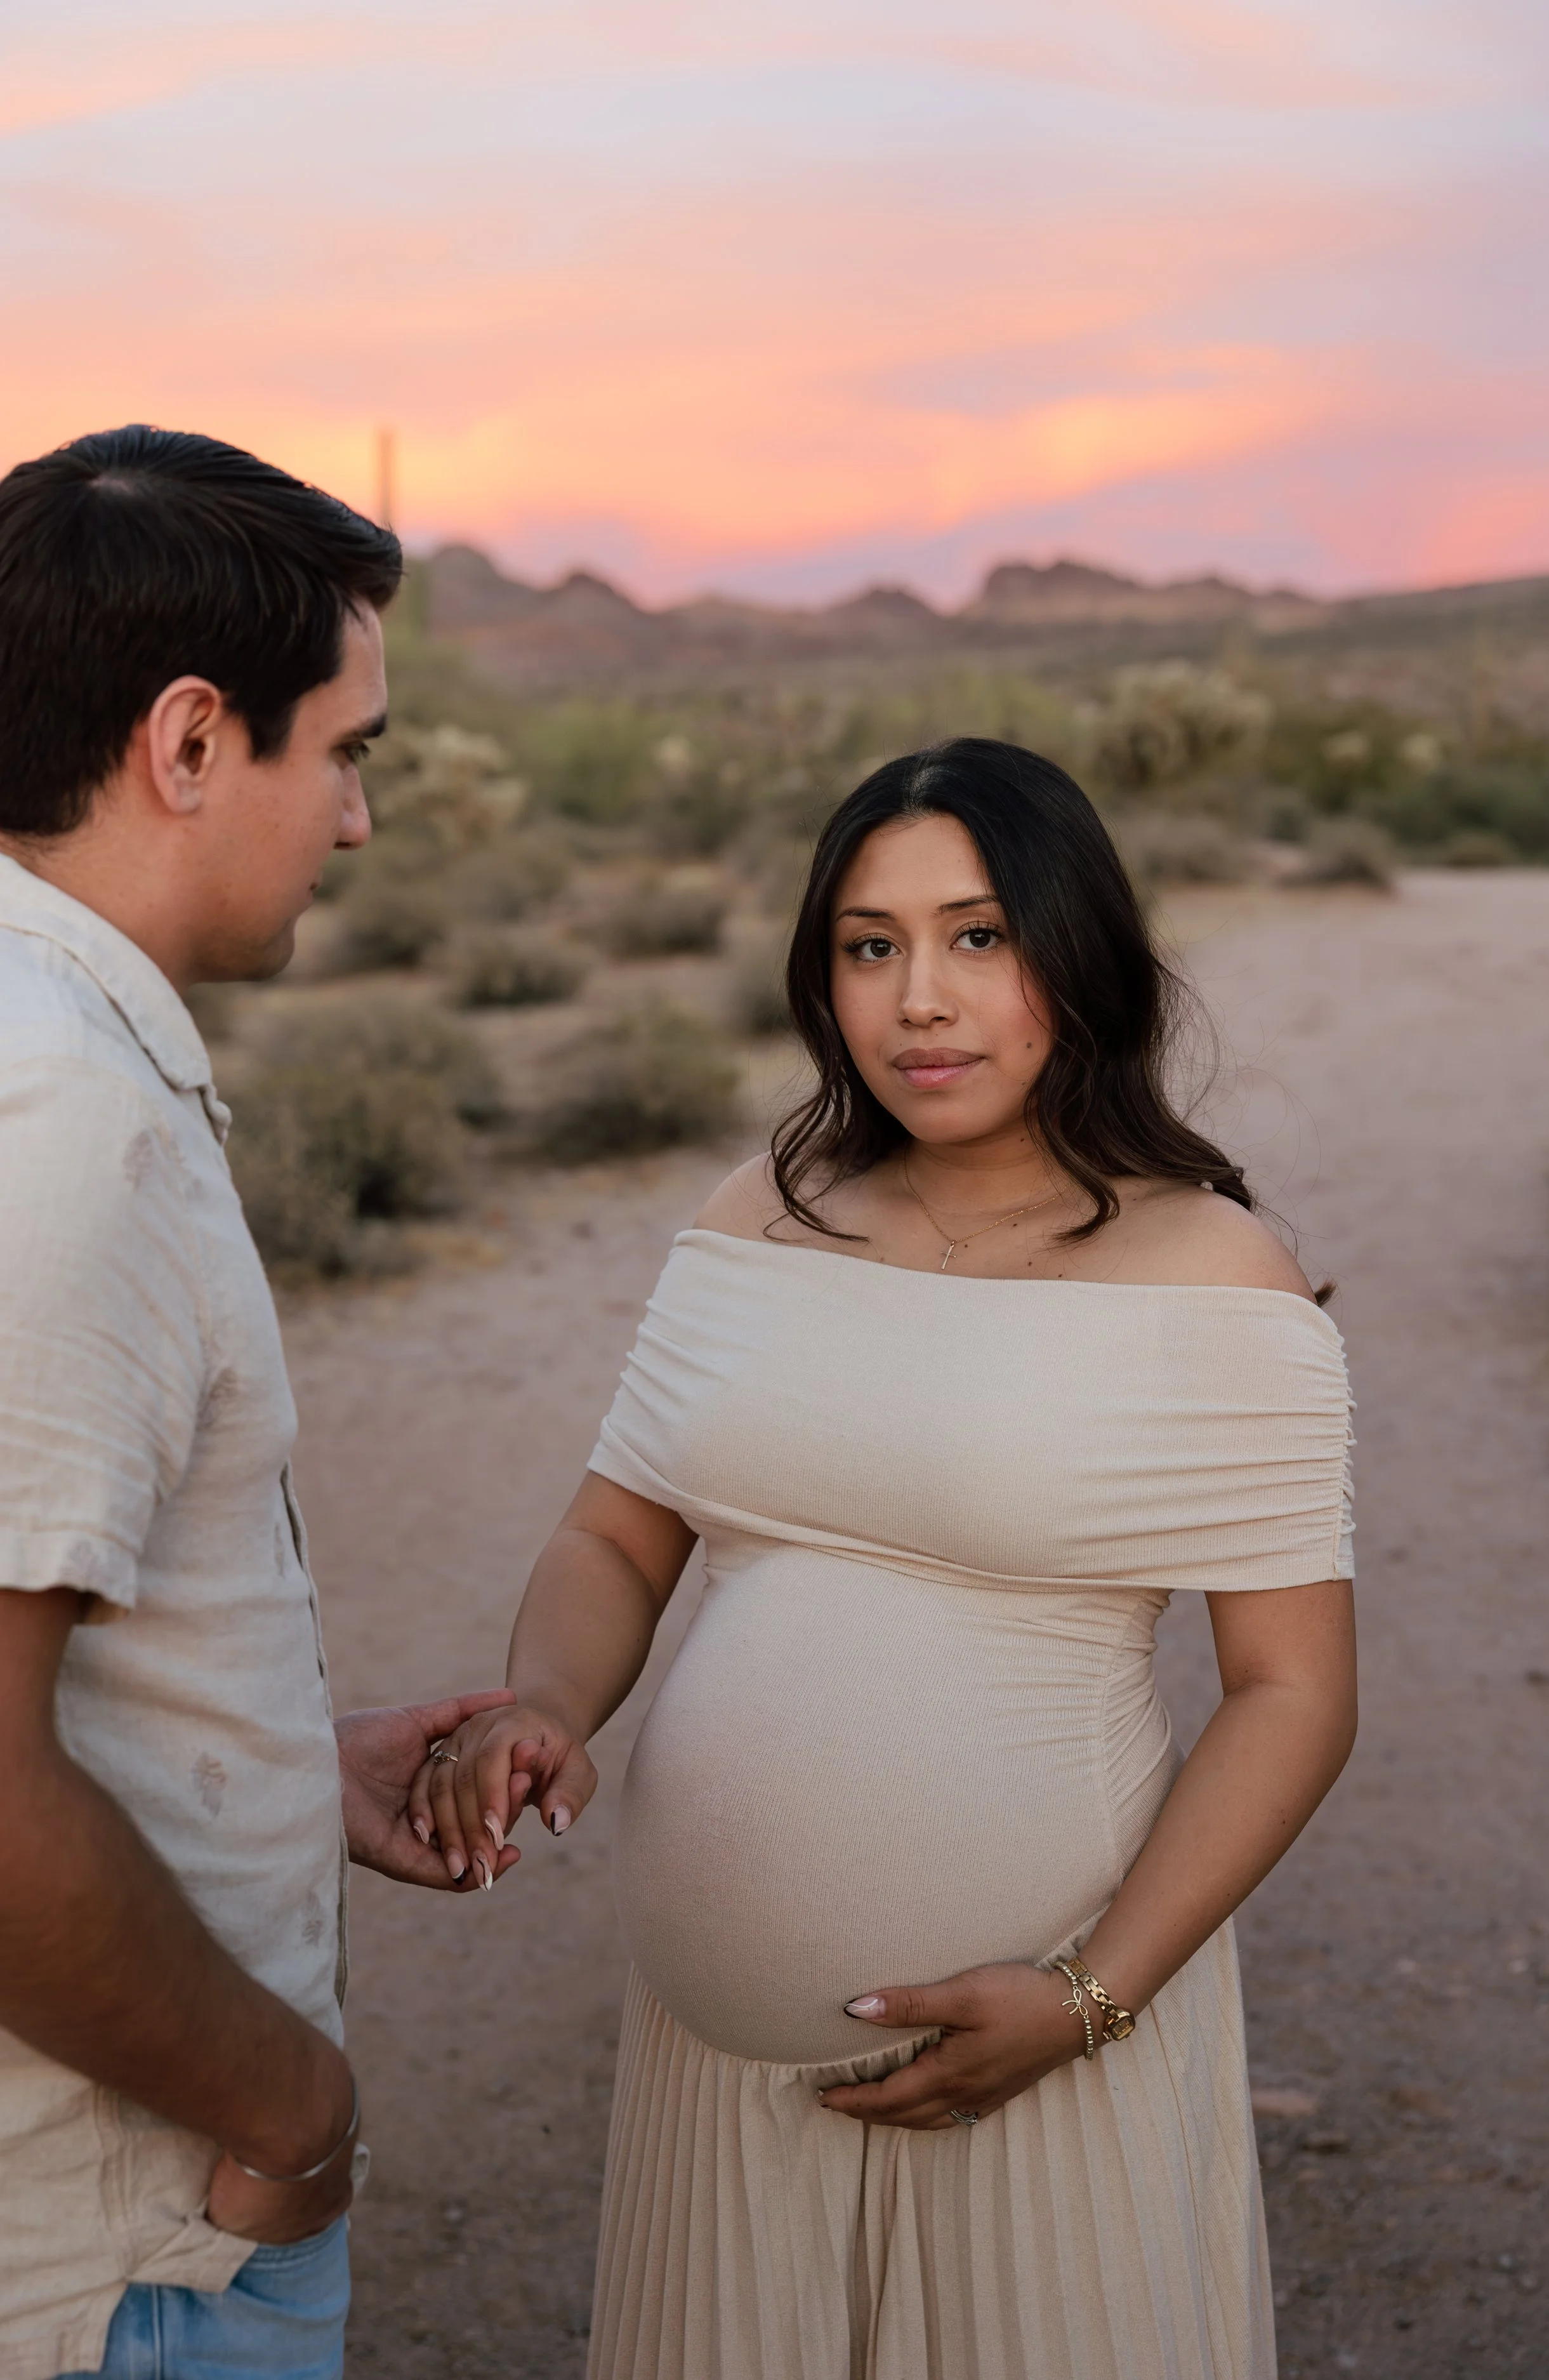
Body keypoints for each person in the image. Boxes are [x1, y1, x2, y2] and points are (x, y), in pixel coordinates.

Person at [419, 739, 1359, 2380]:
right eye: (870, 944)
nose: (919, 996)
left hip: (1052, 2046)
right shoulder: (753, 1217)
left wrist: (1087, 1996)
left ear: (1078, 949)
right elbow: (612, 1532)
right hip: (718, 2087)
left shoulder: (1214, 1273)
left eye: (977, 936)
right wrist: (545, 1702)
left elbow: (1290, 1693)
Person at [0, 426, 526, 2380]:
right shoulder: (56, 1119)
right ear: (193, 741)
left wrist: (290, 1763)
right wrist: (291, 2118)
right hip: (125, 2262)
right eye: (351, 750)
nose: (362, 821)